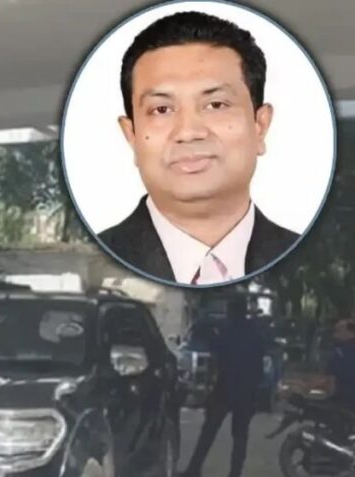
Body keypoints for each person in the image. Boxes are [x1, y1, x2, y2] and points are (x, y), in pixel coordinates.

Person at [98, 11, 299, 285]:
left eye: (216, 105)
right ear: (131, 135)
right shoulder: (94, 259)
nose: (188, 132)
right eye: (162, 109)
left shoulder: (314, 261)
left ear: (260, 125)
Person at [180, 296, 265, 477]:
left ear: (230, 311)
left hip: (226, 386)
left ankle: (195, 469)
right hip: (247, 389)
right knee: (240, 434)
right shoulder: (255, 332)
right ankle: (235, 475)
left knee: (209, 429)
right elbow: (260, 359)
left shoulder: (226, 330)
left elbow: (214, 348)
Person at [326, 319, 355, 407]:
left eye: (338, 331)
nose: (335, 335)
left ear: (349, 332)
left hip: (344, 397)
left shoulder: (340, 351)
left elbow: (332, 377)